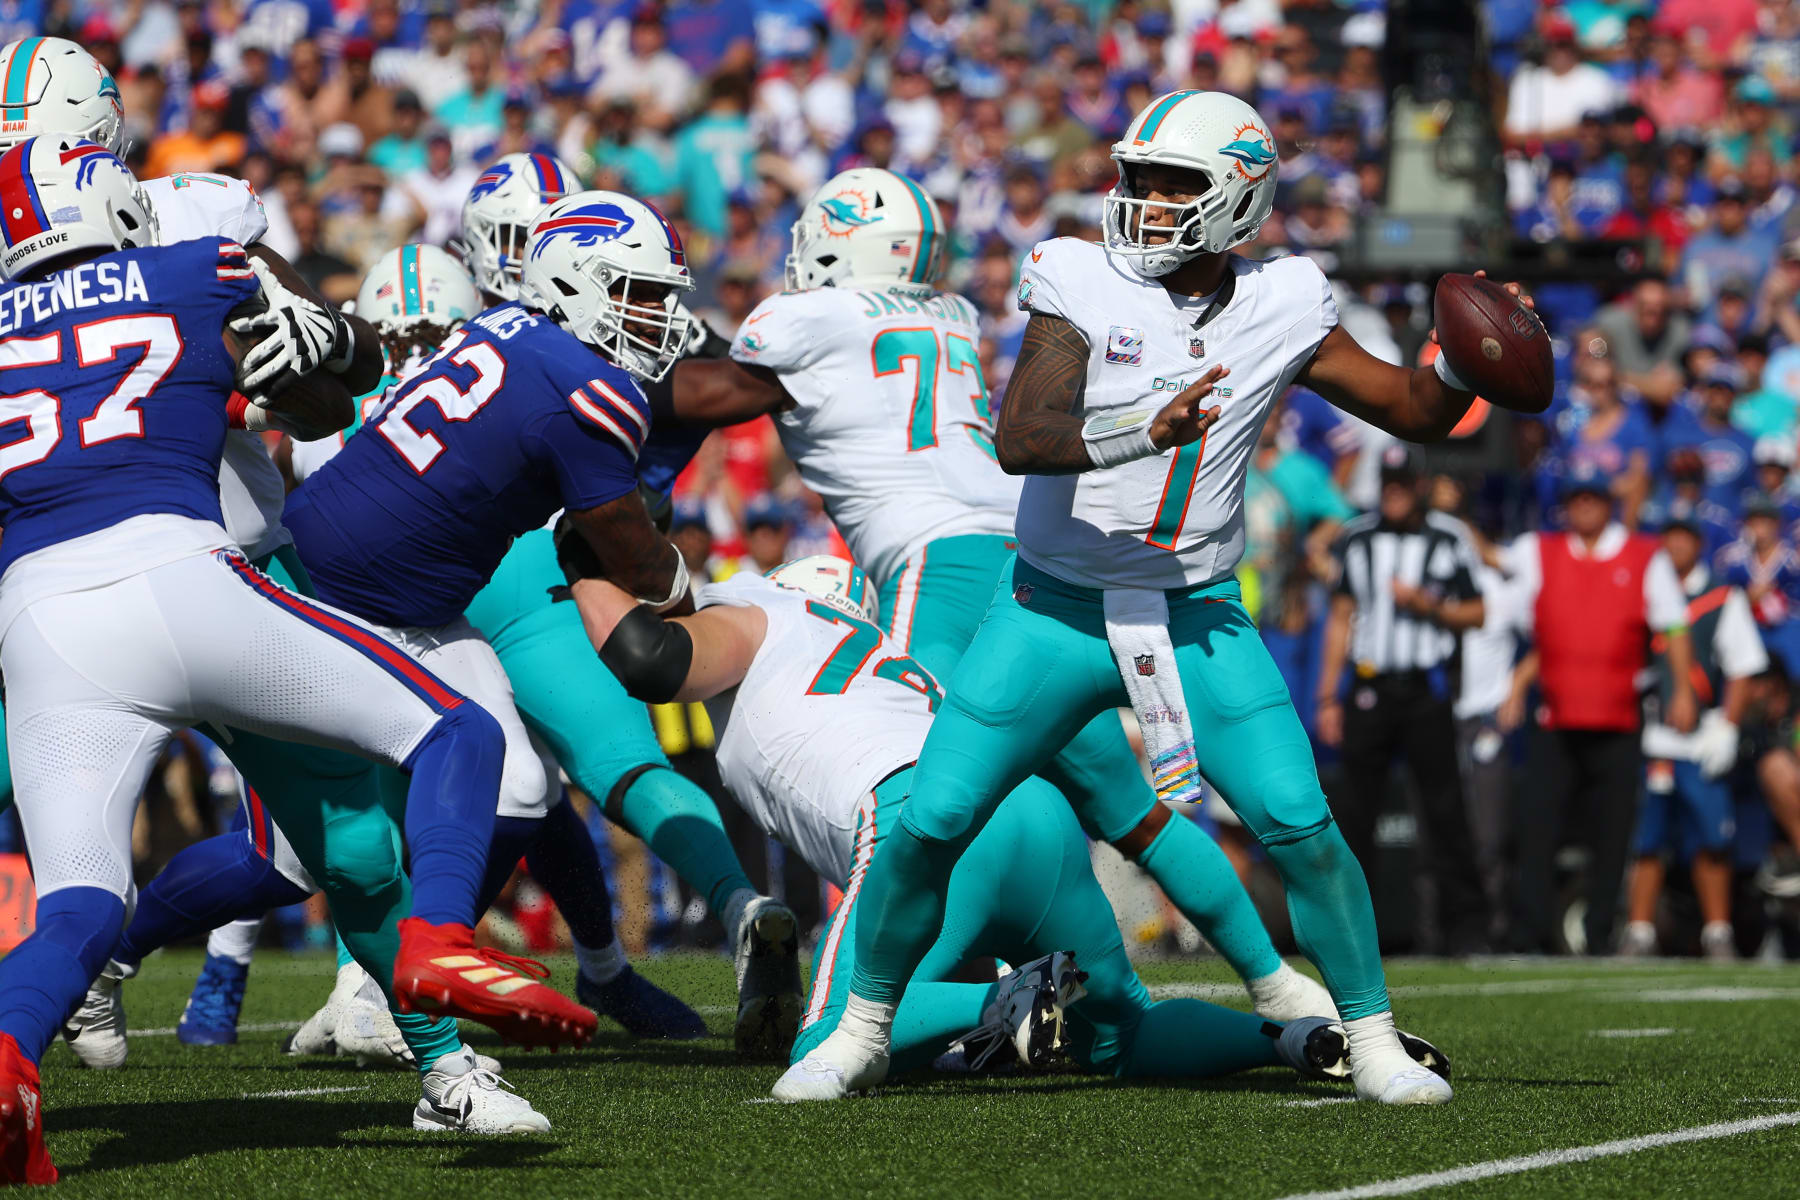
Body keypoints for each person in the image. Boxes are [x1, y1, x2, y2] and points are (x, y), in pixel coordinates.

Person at [772, 90, 1530, 1105]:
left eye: (1177, 184)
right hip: (1052, 608)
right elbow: (1025, 437)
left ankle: (1372, 1037)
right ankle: (864, 1026)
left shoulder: (1287, 301)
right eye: (1138, 178)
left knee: (1300, 820)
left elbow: (1409, 408)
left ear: (1240, 198)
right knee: (935, 816)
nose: (1147, 201)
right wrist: (1143, 428)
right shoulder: (1077, 275)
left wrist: (1463, 355)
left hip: (1194, 615)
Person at [0, 38, 571, 1130]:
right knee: (432, 750)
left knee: (349, 849)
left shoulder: (191, 216)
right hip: (181, 577)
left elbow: (320, 400)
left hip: (198, 564)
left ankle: (443, 1073)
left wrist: (298, 352)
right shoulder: (181, 250)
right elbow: (337, 379)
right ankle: (444, 1042)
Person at [659, 165, 1340, 1042]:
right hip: (1026, 569)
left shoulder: (806, 319)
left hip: (931, 571)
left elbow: (703, 395)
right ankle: (1276, 983)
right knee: (1128, 808)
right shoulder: (946, 314)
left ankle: (880, 1008)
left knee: (917, 802)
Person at [571, 558, 1442, 1091]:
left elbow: (656, 661)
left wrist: (583, 562)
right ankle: (1288, 1037)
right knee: (1122, 1034)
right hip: (1033, 819)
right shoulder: (886, 651)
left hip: (924, 825)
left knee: (830, 1033)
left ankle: (1008, 1003)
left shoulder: (761, 616)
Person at [448, 156, 806, 1056]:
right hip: (555, 573)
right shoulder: (579, 356)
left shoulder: (482, 338)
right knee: (592, 772)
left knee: (480, 782)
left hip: (483, 569)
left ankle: (380, 975)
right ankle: (723, 911)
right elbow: (744, 383)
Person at [1501, 467, 1698, 954]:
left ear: (1607, 504)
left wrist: (1683, 690)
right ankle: (1530, 933)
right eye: (1577, 499)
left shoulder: (1642, 556)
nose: (1584, 508)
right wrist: (1514, 688)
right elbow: (1527, 628)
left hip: (1618, 717)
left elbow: (1673, 626)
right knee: (1537, 825)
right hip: (1556, 715)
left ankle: (1599, 933)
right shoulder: (1538, 552)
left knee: (1611, 835)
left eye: (1593, 498)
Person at [1318, 446, 1491, 954]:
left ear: (1418, 486)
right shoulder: (1357, 538)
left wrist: (1429, 606)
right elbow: (1340, 619)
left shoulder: (1448, 538)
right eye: (1386, 482)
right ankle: (1349, 935)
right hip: (1369, 688)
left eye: (1401, 483)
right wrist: (1329, 695)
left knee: (1445, 811)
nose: (1392, 492)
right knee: (1354, 812)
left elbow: (1478, 612)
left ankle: (1467, 931)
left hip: (1424, 689)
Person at [1623, 508, 1767, 959]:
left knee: (1712, 838)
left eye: (1684, 536)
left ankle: (1718, 931)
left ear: (1699, 542)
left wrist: (1726, 726)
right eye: (1668, 534)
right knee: (1646, 840)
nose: (1675, 544)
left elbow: (1743, 666)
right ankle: (1639, 930)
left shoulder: (1721, 596)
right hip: (1648, 733)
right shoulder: (1641, 588)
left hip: (1699, 734)